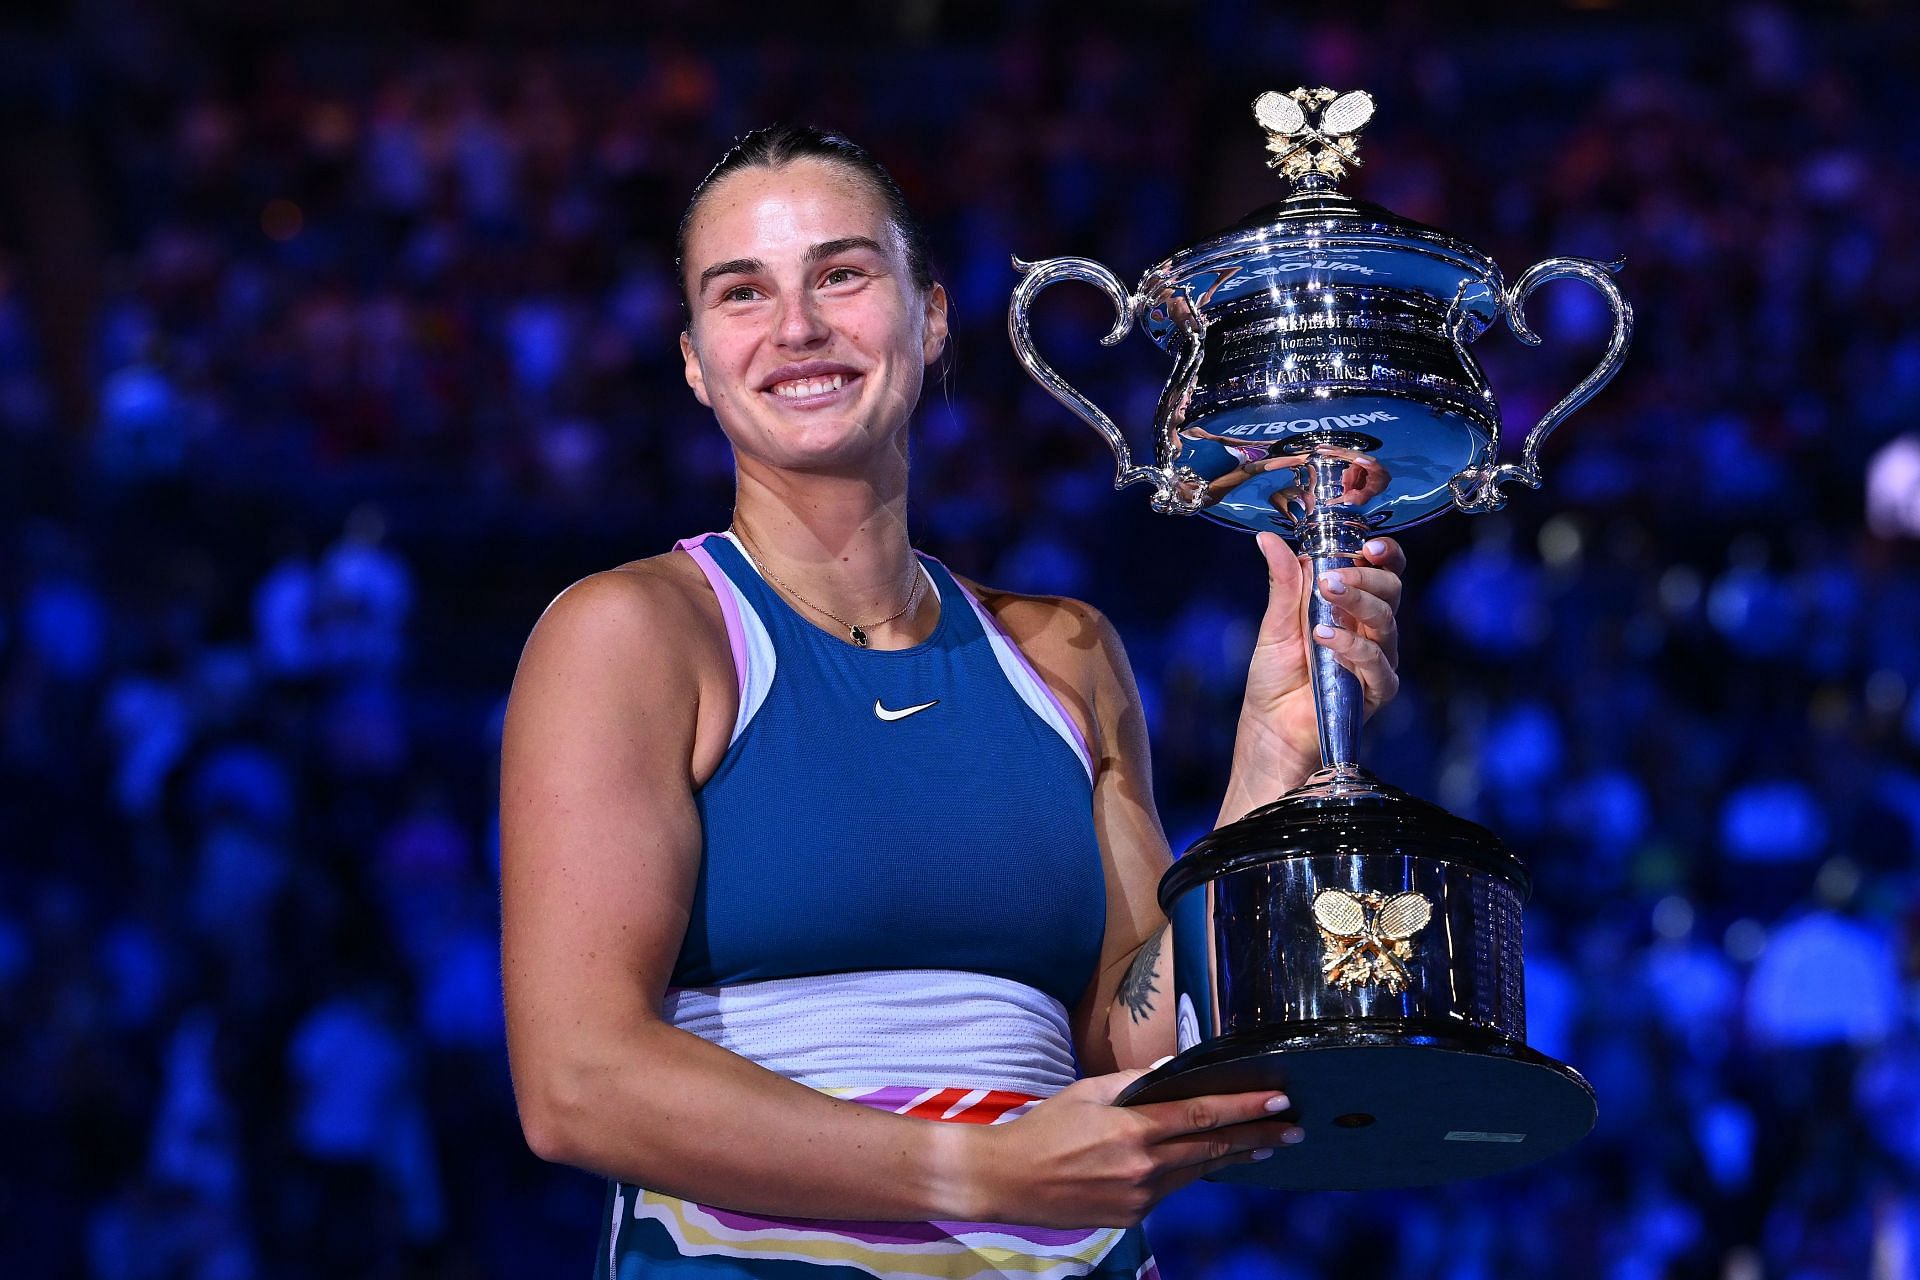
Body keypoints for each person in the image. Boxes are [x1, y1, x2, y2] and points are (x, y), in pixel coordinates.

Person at [498, 125, 1406, 1280]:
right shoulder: (634, 635)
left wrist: (1270, 766)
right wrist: (975, 1169)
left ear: (930, 318)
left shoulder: (1068, 652)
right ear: (692, 360)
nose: (797, 327)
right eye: (742, 292)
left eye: (842, 272)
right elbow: (577, 1083)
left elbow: (1134, 1035)